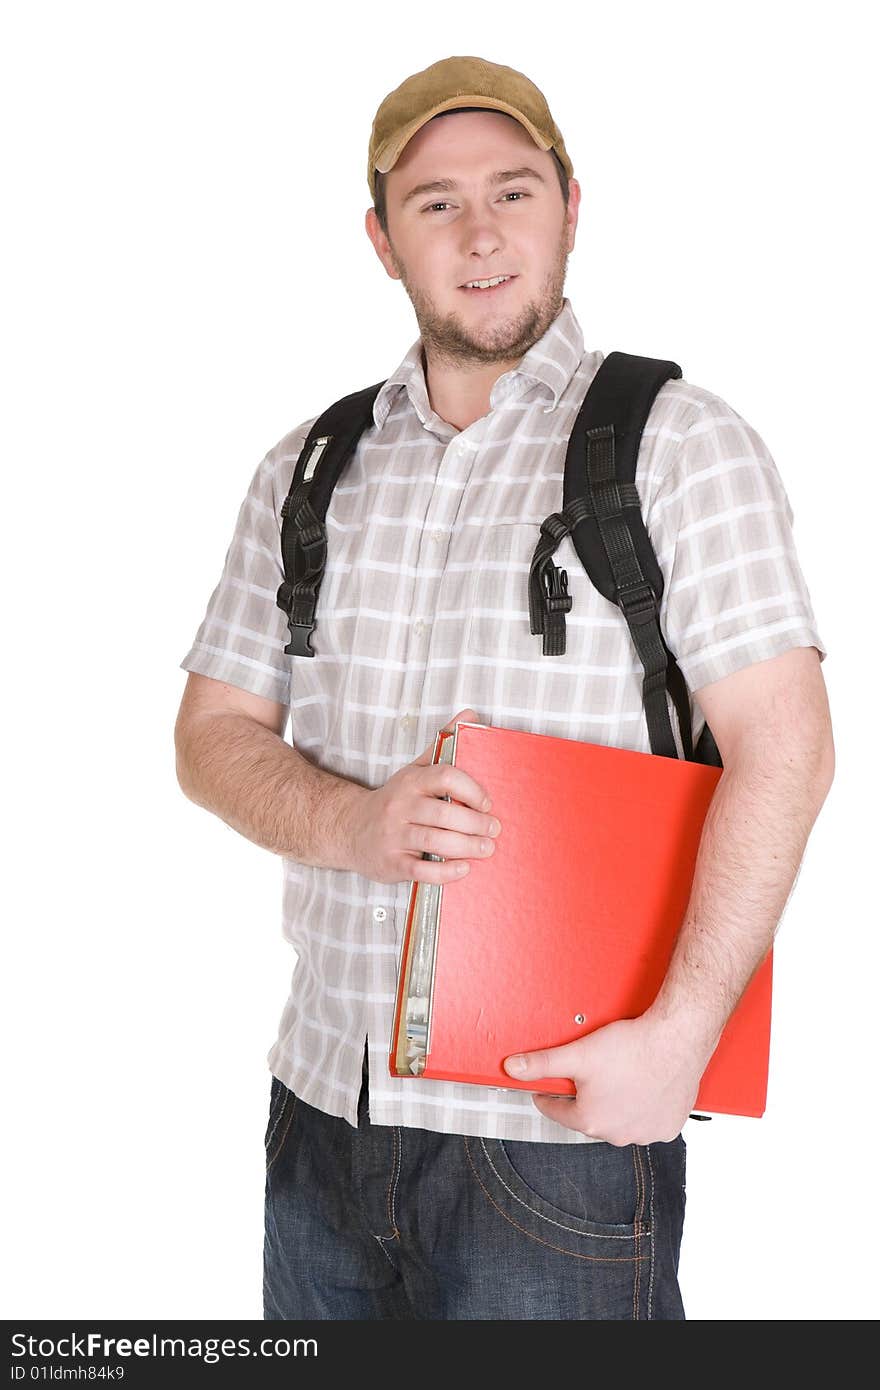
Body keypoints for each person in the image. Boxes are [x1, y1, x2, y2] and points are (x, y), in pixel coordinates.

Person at [174, 55, 834, 1321]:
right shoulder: (306, 468)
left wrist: (682, 1038)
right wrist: (349, 824)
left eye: (513, 192)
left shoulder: (678, 440)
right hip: (321, 1112)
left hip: (558, 1134)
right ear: (382, 239)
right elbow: (211, 734)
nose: (480, 236)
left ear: (570, 206)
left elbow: (784, 747)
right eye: (434, 203)